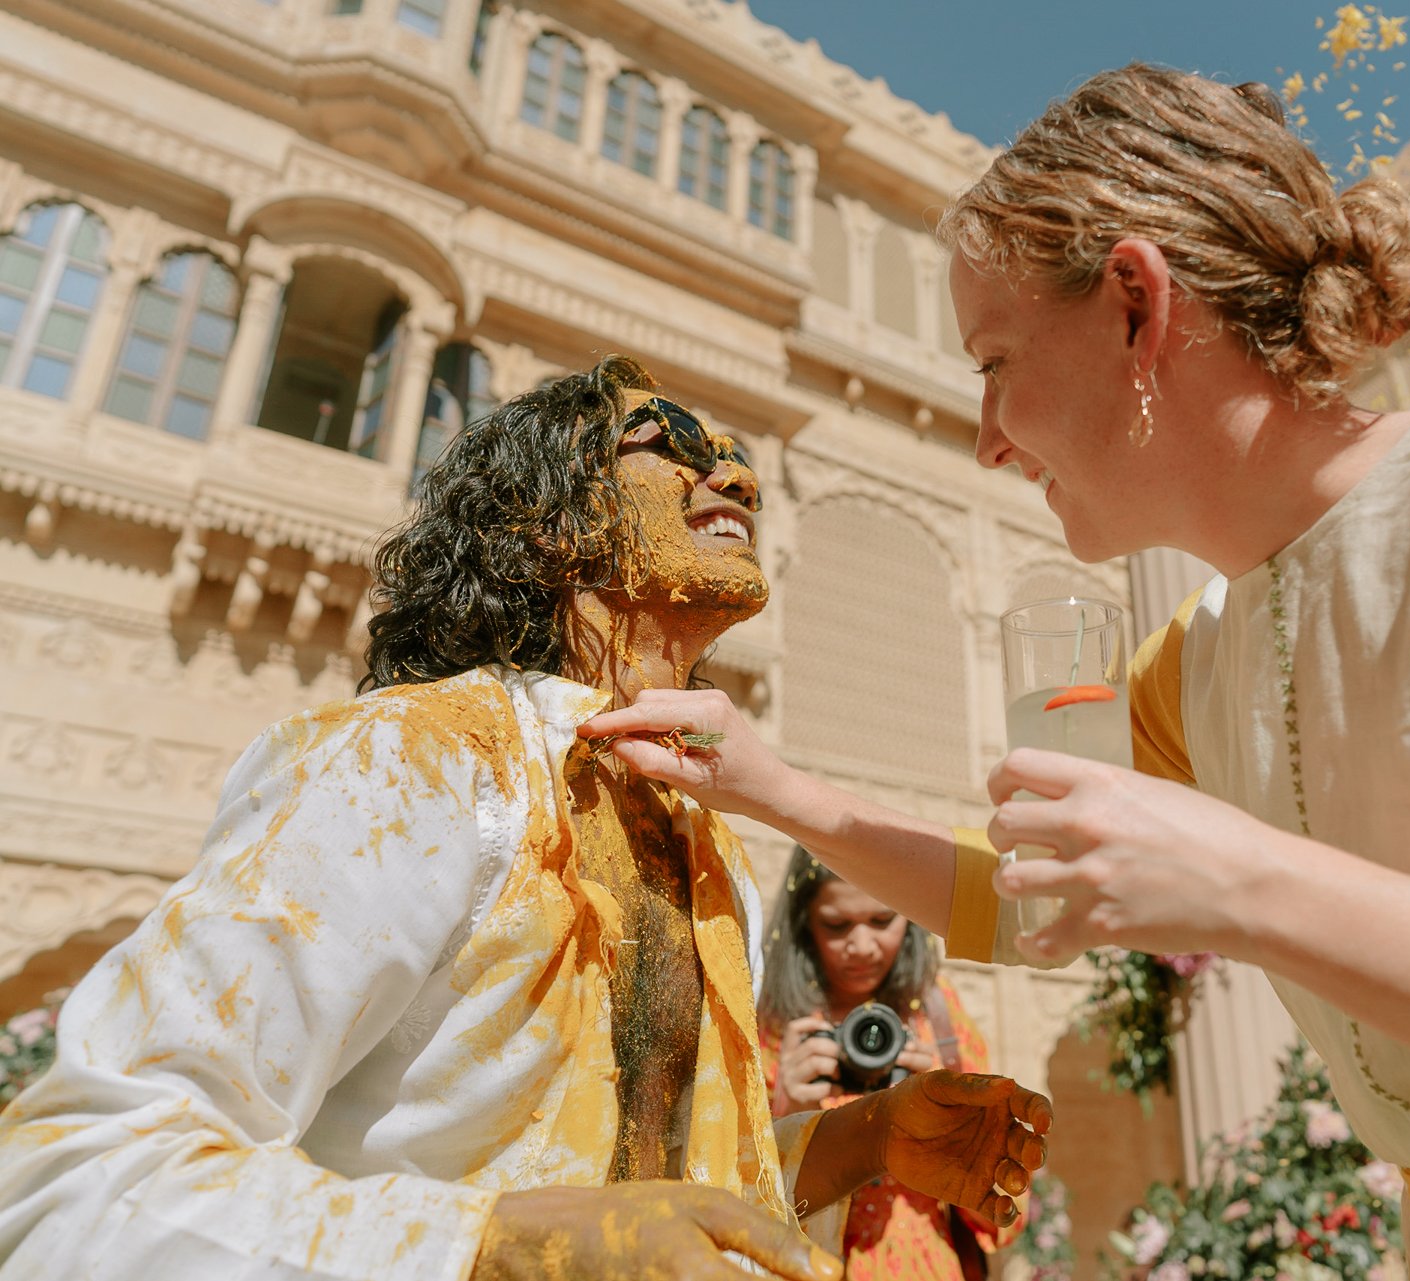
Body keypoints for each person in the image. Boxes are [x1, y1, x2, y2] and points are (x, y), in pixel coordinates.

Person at [577, 65, 1410, 1281]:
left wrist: (1250, 883)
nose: (986, 437)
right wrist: (771, 787)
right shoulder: (1199, 661)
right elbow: (1035, 899)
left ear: (1135, 302)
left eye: (995, 363)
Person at [0, 356, 1050, 1281]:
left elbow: (639, 1203)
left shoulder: (699, 832)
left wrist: (869, 1141)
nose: (732, 475)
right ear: (546, 522)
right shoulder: (413, 761)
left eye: (733, 455)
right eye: (666, 445)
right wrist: (499, 1250)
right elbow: (75, 1180)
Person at [759, 848, 1018, 1281]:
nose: (862, 947)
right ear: (805, 923)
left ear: (912, 918)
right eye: (837, 926)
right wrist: (785, 1114)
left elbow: (1005, 1212)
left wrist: (953, 1125)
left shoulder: (939, 1017)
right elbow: (728, 1194)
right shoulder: (773, 1026)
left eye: (883, 921)